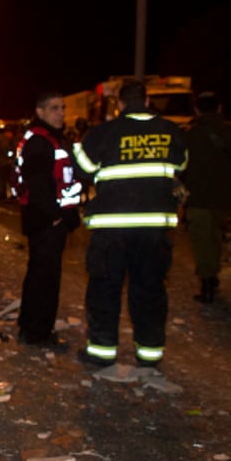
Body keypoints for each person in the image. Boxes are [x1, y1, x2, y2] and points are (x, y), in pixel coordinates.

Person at [73, 80, 188, 369]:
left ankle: (102, 351)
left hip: (112, 227)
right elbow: (182, 165)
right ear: (147, 101)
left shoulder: (104, 132)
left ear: (120, 104)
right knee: (149, 289)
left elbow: (83, 169)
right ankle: (149, 353)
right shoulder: (170, 131)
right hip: (153, 229)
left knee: (105, 288)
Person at [14, 94, 82, 349]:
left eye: (62, 108)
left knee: (40, 275)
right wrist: (55, 216)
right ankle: (38, 332)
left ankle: (32, 326)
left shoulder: (49, 138)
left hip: (48, 219)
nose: (61, 113)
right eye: (54, 108)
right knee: (45, 277)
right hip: (46, 222)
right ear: (40, 111)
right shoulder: (40, 142)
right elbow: (37, 184)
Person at [182, 92, 231, 303]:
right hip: (226, 198)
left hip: (199, 197)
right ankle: (211, 274)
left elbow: (180, 168)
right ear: (220, 108)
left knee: (203, 240)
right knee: (214, 235)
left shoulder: (190, 135)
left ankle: (208, 280)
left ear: (196, 110)